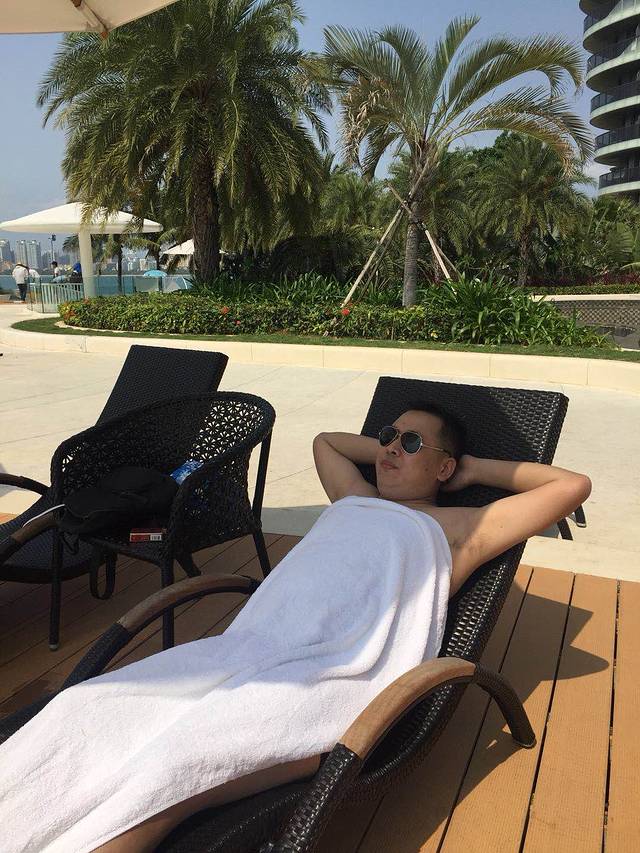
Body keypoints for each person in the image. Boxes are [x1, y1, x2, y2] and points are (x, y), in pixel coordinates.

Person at [0, 404, 591, 853]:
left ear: (444, 466)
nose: (389, 448)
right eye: (387, 436)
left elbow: (571, 487)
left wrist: (468, 471)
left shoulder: (461, 528)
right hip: (244, 649)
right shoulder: (354, 497)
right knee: (84, 709)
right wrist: (410, 452)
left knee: (171, 769)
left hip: (327, 675)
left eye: (410, 443)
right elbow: (325, 441)